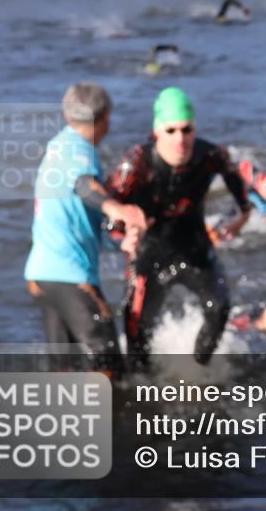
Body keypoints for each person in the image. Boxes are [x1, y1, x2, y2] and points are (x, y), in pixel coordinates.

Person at [107, 87, 251, 368]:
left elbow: (241, 183)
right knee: (136, 328)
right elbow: (109, 213)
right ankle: (141, 390)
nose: (180, 139)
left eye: (187, 130)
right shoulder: (137, 162)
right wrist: (124, 236)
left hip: (193, 248)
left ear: (195, 128)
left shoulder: (211, 155)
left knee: (219, 309)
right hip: (149, 255)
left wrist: (243, 214)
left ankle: (199, 369)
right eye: (171, 130)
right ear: (157, 130)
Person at [24, 83, 148, 378]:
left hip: (41, 275)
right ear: (105, 119)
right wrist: (117, 209)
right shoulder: (78, 150)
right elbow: (84, 187)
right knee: (109, 364)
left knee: (64, 369)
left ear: (68, 115)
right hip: (70, 278)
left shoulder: (57, 148)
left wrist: (119, 244)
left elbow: (79, 214)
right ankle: (116, 424)